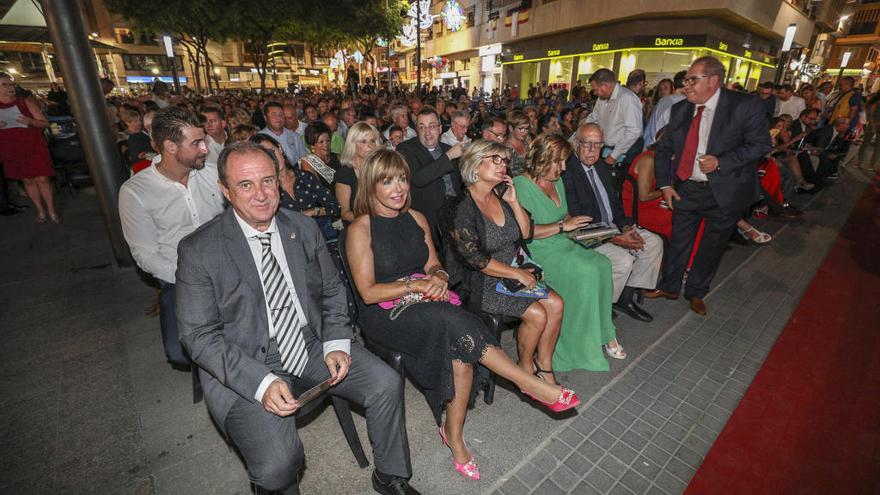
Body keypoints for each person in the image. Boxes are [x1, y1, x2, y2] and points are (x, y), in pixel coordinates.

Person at [176, 141, 419, 495]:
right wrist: (260, 382)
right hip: (242, 360)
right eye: (246, 185)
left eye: (268, 181)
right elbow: (198, 335)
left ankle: (390, 476)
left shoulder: (301, 228)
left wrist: (336, 342)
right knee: (278, 464)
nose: (261, 194)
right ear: (225, 191)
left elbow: (334, 291)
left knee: (385, 383)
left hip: (308, 343)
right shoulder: (200, 249)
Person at [345, 148, 580, 481]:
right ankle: (527, 382)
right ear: (371, 185)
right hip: (388, 313)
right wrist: (419, 286)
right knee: (453, 320)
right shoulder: (361, 229)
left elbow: (433, 264)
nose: (398, 188)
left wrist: (438, 276)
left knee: (461, 352)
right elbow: (368, 292)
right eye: (387, 181)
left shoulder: (416, 218)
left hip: (427, 298)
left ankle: (453, 436)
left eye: (402, 179)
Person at [646, 56, 772, 316]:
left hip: (726, 191)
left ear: (714, 80)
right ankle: (670, 286)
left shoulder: (744, 106)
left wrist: (722, 162)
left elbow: (761, 145)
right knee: (679, 240)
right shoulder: (681, 109)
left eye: (693, 79)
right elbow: (663, 149)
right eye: (686, 80)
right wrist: (665, 184)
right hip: (688, 188)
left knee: (712, 245)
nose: (686, 85)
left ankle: (696, 292)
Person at [450, 139, 566, 384]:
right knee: (537, 314)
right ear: (475, 164)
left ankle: (544, 365)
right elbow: (476, 259)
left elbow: (525, 233)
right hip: (486, 282)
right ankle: (524, 370)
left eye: (504, 160)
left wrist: (513, 201)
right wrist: (517, 275)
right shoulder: (464, 208)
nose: (503, 165)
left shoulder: (501, 194)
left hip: (515, 269)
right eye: (495, 160)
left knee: (556, 304)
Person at [118, 107, 224, 368]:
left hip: (227, 267)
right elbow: (145, 253)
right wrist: (188, 276)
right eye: (197, 143)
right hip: (179, 276)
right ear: (170, 147)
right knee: (179, 353)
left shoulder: (212, 174)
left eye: (204, 141)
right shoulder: (136, 191)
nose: (205, 149)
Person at [513, 134, 625, 371]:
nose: (563, 168)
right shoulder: (521, 185)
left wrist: (573, 224)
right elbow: (526, 233)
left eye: (564, 162)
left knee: (602, 264)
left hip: (562, 242)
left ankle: (603, 334)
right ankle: (573, 345)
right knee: (586, 271)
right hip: (538, 251)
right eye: (559, 162)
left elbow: (561, 214)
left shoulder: (557, 181)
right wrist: (563, 226)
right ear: (543, 159)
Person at [564, 123, 663, 322]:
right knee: (623, 260)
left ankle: (625, 297)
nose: (593, 150)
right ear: (576, 144)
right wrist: (615, 238)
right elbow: (577, 222)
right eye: (587, 144)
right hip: (587, 234)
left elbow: (616, 208)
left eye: (598, 144)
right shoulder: (567, 172)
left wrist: (627, 228)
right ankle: (602, 308)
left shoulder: (601, 167)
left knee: (653, 243)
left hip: (614, 227)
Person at [396, 107, 465, 237]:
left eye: (432, 126)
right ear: (416, 130)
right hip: (426, 219)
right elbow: (418, 178)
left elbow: (460, 184)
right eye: (422, 127)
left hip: (455, 215)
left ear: (440, 129)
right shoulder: (405, 149)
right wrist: (448, 156)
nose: (427, 132)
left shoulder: (448, 149)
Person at [0, 71, 57, 223]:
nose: (9, 88)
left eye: (11, 84)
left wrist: (30, 121)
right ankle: (40, 210)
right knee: (28, 180)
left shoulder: (24, 102)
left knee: (43, 178)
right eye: (4, 85)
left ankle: (51, 210)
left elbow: (45, 123)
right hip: (11, 146)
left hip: (33, 144)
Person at [587, 68, 644, 169]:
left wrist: (614, 155)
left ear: (606, 85)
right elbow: (593, 118)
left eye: (595, 90)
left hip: (624, 153)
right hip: (607, 149)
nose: (594, 93)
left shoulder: (627, 98)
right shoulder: (602, 99)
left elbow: (634, 131)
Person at [336, 122, 382, 223]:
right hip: (358, 226)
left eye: (372, 141)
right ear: (352, 144)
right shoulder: (345, 173)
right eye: (363, 141)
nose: (369, 146)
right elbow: (345, 214)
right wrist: (373, 217)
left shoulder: (380, 169)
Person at [644, 71, 687, 149]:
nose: (663, 91)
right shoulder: (681, 103)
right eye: (660, 89)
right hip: (660, 150)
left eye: (666, 88)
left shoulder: (663, 101)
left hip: (650, 147)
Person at [299, 120, 341, 190]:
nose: (326, 145)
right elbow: (317, 189)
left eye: (328, 140)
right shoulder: (308, 163)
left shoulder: (338, 157)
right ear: (312, 145)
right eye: (321, 142)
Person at [506, 110, 531, 177]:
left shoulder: (526, 143)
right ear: (511, 128)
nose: (525, 132)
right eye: (521, 128)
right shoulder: (506, 149)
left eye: (527, 128)